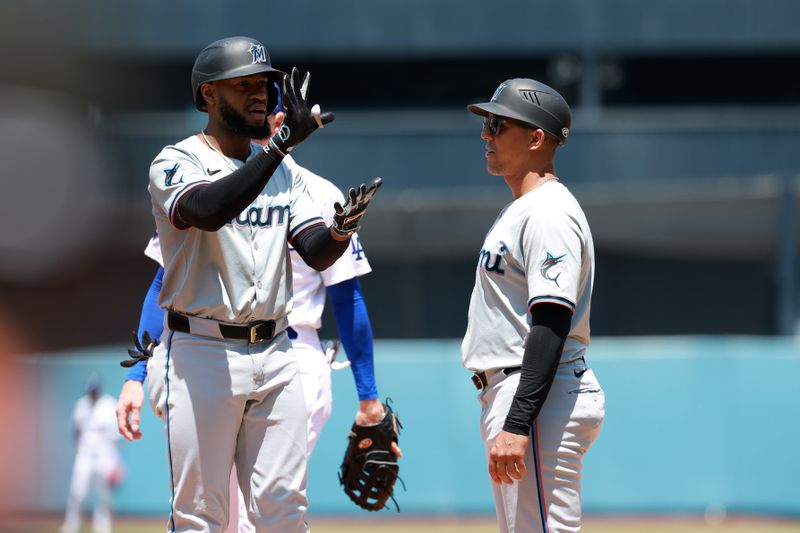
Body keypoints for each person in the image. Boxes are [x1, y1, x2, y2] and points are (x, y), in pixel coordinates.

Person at [114, 36, 381, 532]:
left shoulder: (285, 176)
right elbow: (209, 210)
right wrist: (278, 147)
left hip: (278, 352)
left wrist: (342, 229)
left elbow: (315, 250)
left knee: (283, 511)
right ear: (207, 97)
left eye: (264, 83)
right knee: (202, 516)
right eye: (244, 84)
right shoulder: (176, 161)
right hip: (201, 351)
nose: (260, 93)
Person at [461, 78, 605, 533]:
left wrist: (518, 422)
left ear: (536, 137)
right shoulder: (522, 208)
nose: (485, 134)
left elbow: (550, 321)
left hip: (536, 396)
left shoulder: (548, 212)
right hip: (522, 392)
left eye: (497, 124)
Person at [61, 373, 124, 533]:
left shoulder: (109, 404)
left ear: (99, 389)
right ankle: (71, 525)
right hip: (85, 453)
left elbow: (116, 438)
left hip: (104, 454)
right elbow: (76, 431)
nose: (92, 393)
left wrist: (116, 461)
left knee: (104, 495)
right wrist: (78, 450)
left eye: (94, 390)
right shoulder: (81, 404)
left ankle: (102, 527)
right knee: (78, 491)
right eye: (90, 391)